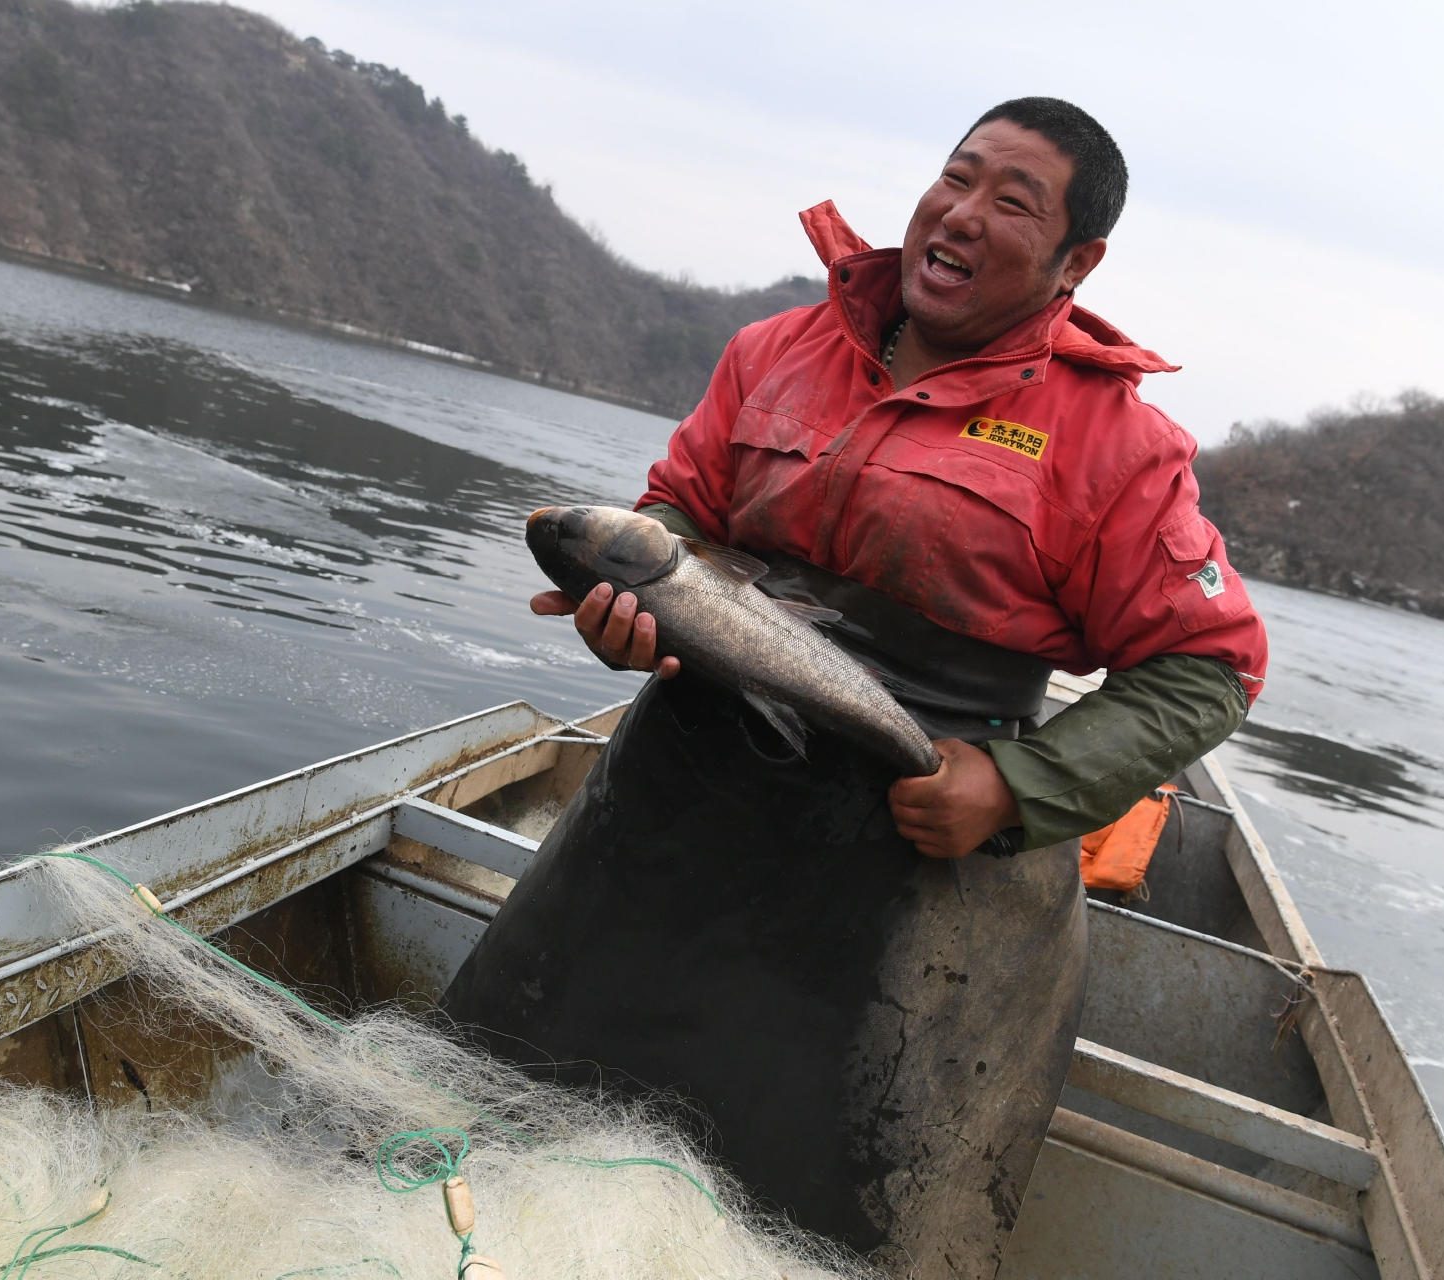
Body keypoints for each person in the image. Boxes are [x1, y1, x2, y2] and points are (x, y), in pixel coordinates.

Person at [443, 97, 1268, 1276]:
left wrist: (1019, 782)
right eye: (956, 175)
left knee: (805, 1222)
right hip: (669, 826)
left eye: (1012, 201)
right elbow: (680, 511)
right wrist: (629, 609)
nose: (962, 212)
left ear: (1074, 262)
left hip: (904, 866)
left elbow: (1208, 669)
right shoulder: (775, 349)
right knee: (512, 1121)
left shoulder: (1114, 445)